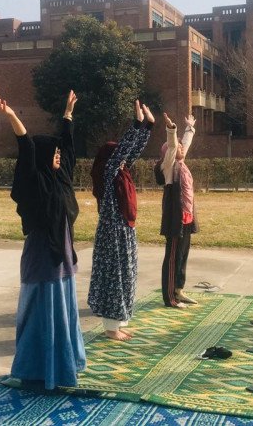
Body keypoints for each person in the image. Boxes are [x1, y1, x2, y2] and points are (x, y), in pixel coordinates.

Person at [0, 90, 86, 390]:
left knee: (60, 313)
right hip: (42, 257)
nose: (59, 156)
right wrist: (11, 117)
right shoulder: (33, 183)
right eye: (54, 153)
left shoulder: (61, 179)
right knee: (37, 315)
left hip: (62, 258)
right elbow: (27, 147)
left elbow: (68, 146)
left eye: (59, 153)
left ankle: (58, 368)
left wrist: (68, 113)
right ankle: (33, 371)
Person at [88, 100, 155, 341]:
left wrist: (149, 126)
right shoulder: (108, 176)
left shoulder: (121, 173)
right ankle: (110, 328)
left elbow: (131, 151)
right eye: (118, 157)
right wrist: (136, 123)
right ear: (110, 160)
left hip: (124, 232)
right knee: (115, 279)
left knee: (127, 276)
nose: (124, 160)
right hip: (112, 236)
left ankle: (119, 322)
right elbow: (122, 153)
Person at [157, 112, 198, 308]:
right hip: (175, 218)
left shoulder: (181, 163)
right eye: (178, 146)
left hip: (186, 216)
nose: (182, 147)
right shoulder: (169, 167)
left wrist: (189, 128)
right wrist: (171, 130)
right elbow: (173, 145)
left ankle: (179, 290)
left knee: (183, 254)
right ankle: (170, 298)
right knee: (173, 256)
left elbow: (184, 144)